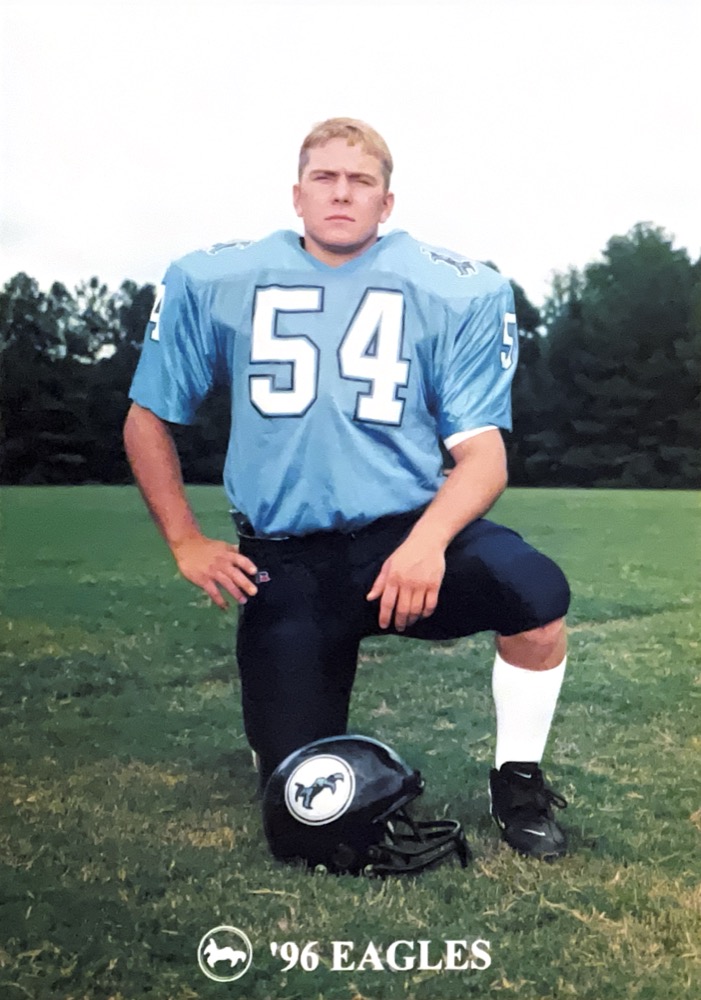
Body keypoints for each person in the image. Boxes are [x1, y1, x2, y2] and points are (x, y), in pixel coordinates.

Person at [124, 117, 571, 860]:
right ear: (296, 196)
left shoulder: (451, 288)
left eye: (359, 181)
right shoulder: (216, 278)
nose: (341, 194)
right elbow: (147, 418)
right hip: (286, 562)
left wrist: (427, 544)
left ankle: (516, 778)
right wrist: (184, 539)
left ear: (386, 203)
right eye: (324, 179)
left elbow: (483, 454)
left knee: (533, 590)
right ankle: (287, 736)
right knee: (303, 817)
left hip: (401, 538)